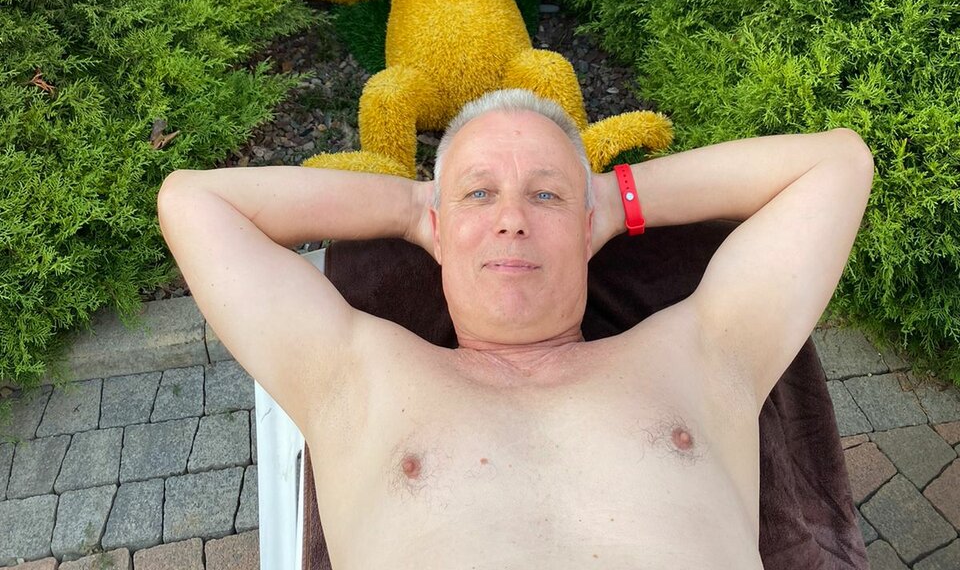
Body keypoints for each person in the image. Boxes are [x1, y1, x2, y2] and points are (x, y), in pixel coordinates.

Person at [157, 89, 873, 570]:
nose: (511, 219)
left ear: (589, 226)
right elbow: (193, 202)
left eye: (546, 195)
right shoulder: (354, 375)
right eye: (478, 194)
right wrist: (411, 207)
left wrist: (614, 198)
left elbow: (837, 164)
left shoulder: (701, 355)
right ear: (437, 229)